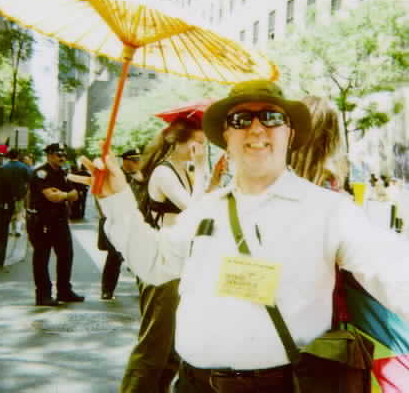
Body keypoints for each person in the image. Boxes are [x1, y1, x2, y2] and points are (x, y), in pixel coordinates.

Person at [74, 80, 409, 392]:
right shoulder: (205, 209)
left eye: (271, 117)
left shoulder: (331, 211)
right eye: (241, 119)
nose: (256, 128)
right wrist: (115, 199)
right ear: (226, 136)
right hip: (193, 384)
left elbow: (390, 271)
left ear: (289, 133)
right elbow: (155, 264)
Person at [119, 117, 206, 393]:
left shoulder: (183, 171)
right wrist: (203, 170)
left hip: (180, 261)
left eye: (203, 144)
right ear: (175, 140)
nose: (201, 149)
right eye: (197, 142)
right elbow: (195, 209)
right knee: (154, 346)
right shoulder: (164, 172)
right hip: (162, 262)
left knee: (171, 348)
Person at [27, 143, 85, 306]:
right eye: (58, 155)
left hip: (60, 221)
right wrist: (66, 195)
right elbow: (51, 197)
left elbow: (75, 195)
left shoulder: (63, 173)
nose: (62, 158)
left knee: (67, 255)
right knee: (42, 259)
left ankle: (64, 291)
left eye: (64, 155)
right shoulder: (40, 173)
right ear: (49, 155)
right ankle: (43, 295)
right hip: (42, 222)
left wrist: (63, 194)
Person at [100, 148, 144, 301]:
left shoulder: (142, 176)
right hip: (118, 221)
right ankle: (107, 290)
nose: (137, 163)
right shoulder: (115, 175)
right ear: (125, 160)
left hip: (137, 220)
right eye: (134, 160)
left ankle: (143, 288)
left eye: (138, 160)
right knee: (114, 257)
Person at [0, 148, 31, 267]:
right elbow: (31, 180)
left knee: (1, 230)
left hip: (3, 201)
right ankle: (17, 229)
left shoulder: (3, 168)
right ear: (19, 155)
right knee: (19, 215)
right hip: (18, 198)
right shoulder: (23, 167)